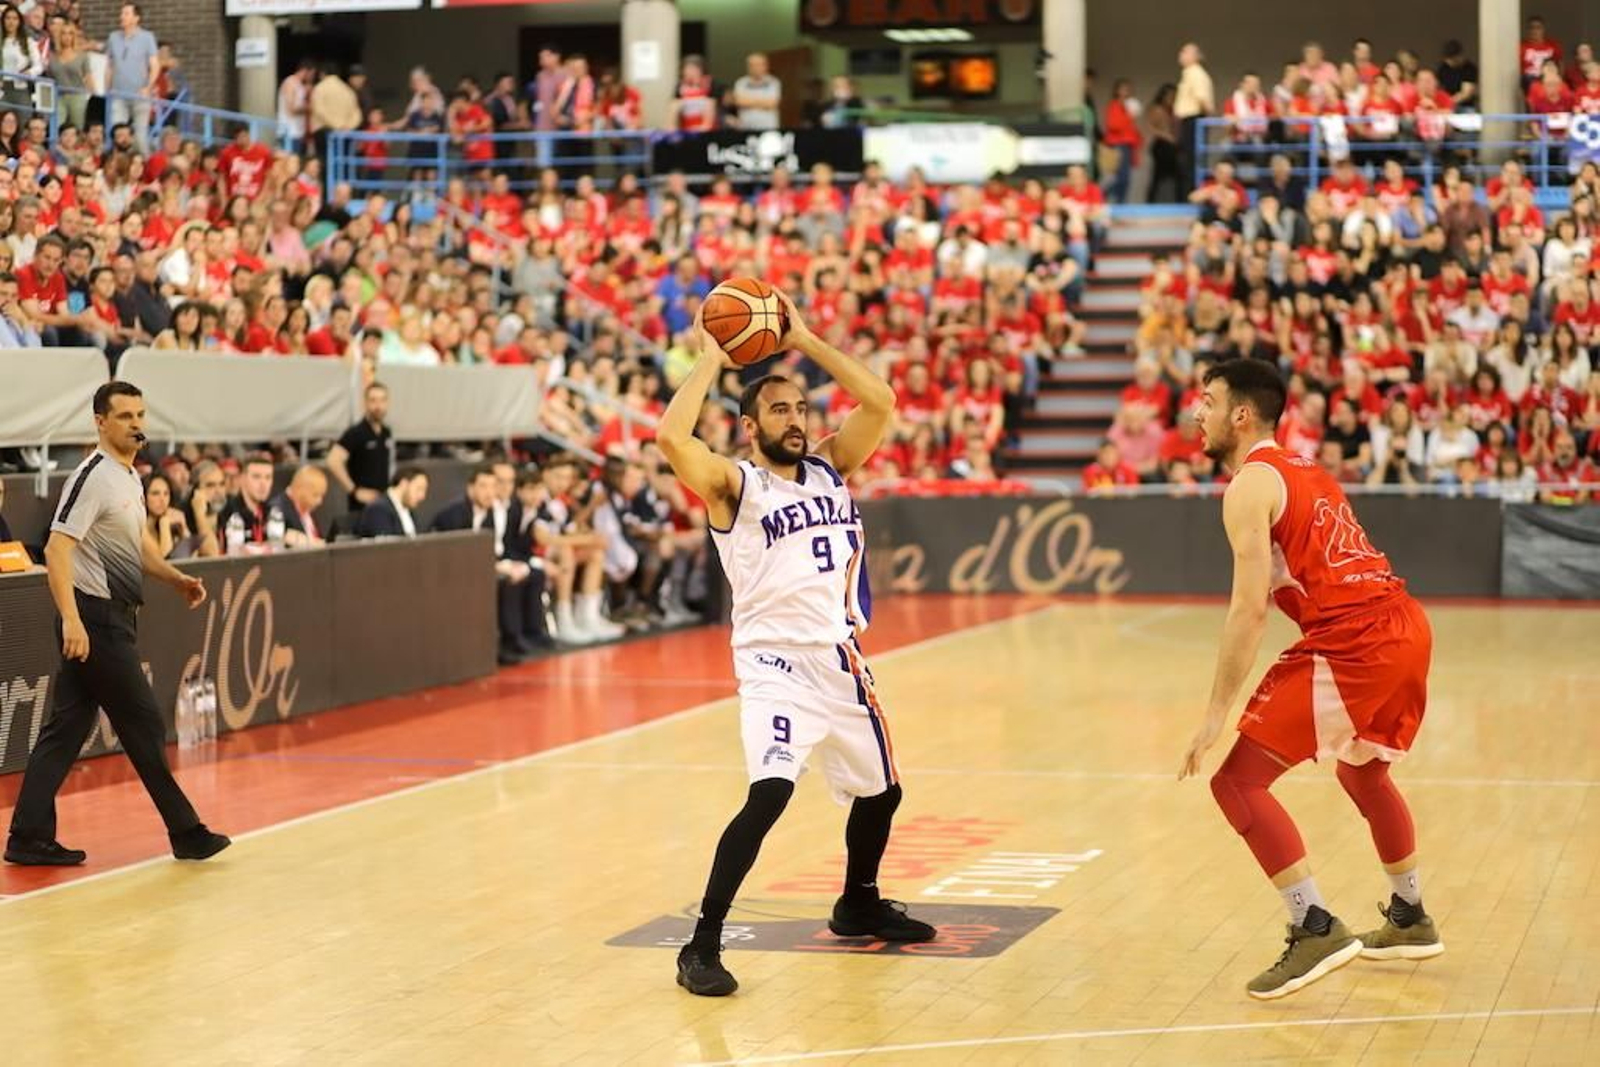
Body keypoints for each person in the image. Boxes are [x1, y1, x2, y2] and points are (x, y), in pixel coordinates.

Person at [657, 292, 934, 998]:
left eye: (802, 409)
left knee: (884, 790)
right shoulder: (733, 484)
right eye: (780, 410)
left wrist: (804, 339)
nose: (797, 420)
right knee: (770, 793)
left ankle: (858, 901)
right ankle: (701, 943)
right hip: (773, 662)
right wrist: (713, 359)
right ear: (749, 426)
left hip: (839, 658)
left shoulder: (832, 466)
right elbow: (670, 439)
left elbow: (881, 400)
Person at [1179, 360, 1442, 1000]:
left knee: (1237, 782)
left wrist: (1216, 713)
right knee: (1363, 771)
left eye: (1208, 401)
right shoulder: (1306, 470)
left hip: (1356, 642)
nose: (1197, 412)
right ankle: (1409, 915)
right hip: (1407, 626)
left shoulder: (1248, 487)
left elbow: (1248, 609)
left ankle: (1314, 923)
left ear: (1241, 414)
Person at [5, 381, 229, 867]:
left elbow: (140, 547)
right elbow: (58, 550)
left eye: (140, 415)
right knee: (144, 722)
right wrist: (71, 619)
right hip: (94, 620)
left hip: (115, 618)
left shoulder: (129, 476)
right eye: (124, 416)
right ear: (100, 422)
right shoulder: (91, 477)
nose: (135, 424)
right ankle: (186, 831)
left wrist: (175, 579)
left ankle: (27, 835)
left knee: (68, 727)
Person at [327, 381, 394, 512]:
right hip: (362, 506)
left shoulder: (387, 432)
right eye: (373, 400)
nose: (378, 406)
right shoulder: (356, 432)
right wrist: (354, 490)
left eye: (382, 400)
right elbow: (333, 460)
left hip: (383, 501)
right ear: (365, 403)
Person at [105, 3, 159, 153]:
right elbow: (110, 65)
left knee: (140, 137)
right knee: (117, 134)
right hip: (118, 94)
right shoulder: (113, 37)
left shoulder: (147, 37)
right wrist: (107, 88)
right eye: (122, 13)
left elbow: (155, 65)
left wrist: (148, 87)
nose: (121, 17)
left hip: (140, 95)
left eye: (126, 14)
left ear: (136, 18)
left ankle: (146, 169)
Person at [353, 466, 427, 539]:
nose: (422, 496)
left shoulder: (409, 510)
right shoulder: (378, 509)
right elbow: (386, 546)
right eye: (419, 489)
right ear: (404, 484)